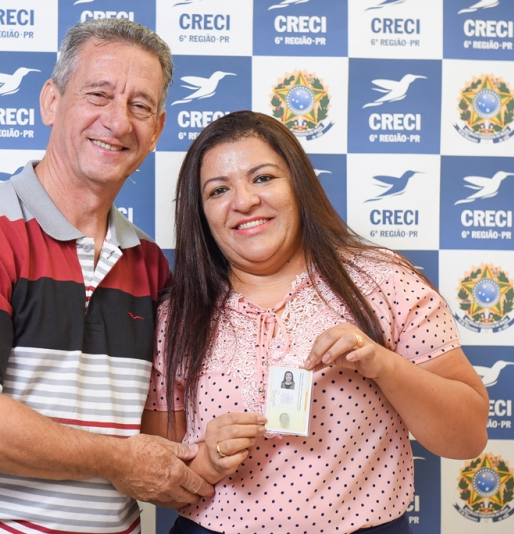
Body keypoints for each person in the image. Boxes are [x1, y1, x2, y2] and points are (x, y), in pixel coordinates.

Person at [0, 19, 214, 534]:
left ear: (156, 130)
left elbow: (161, 423)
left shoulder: (151, 264)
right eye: (98, 94)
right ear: (51, 101)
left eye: (140, 106)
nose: (118, 121)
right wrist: (118, 460)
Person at [141, 111, 489, 534]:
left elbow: (468, 437)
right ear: (201, 212)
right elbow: (157, 479)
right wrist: (205, 463)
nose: (244, 201)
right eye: (218, 190)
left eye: (263, 178)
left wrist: (383, 365)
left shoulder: (385, 282)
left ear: (299, 185)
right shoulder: (177, 316)